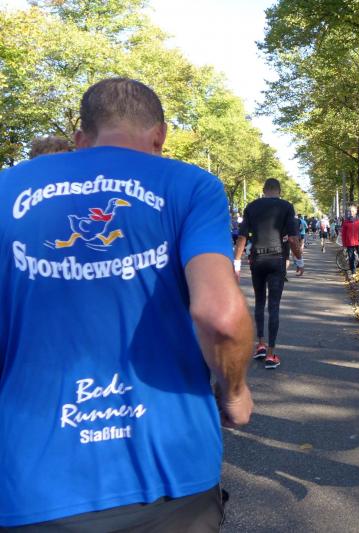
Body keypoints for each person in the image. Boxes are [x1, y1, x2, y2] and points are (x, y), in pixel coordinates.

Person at [0, 78, 253, 530]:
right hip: (170, 476)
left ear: (80, 138)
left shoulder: (7, 189)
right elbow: (220, 315)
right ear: (160, 135)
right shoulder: (191, 186)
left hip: (31, 481)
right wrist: (233, 392)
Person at [234, 178, 303, 369]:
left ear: (264, 190)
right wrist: (299, 261)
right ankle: (271, 355)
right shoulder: (286, 207)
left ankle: (261, 345)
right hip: (277, 260)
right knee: (274, 306)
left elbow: (241, 237)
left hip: (257, 260)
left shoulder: (251, 206)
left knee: (259, 302)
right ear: (279, 191)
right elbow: (293, 239)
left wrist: (236, 263)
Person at [341, 204, 359, 280]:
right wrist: (344, 243)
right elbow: (343, 234)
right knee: (351, 258)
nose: (351, 212)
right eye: (350, 211)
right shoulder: (346, 222)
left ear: (356, 211)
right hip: (349, 242)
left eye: (353, 211)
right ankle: (353, 272)